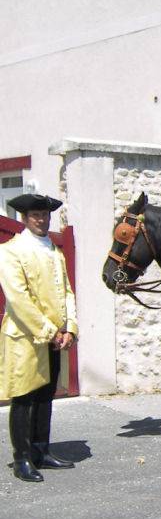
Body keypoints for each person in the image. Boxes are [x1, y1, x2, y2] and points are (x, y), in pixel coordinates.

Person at [0, 194, 78, 482]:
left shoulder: (54, 251)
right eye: (36, 215)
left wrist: (70, 327)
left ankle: (40, 451)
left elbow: (67, 291)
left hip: (55, 336)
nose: (42, 220)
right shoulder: (11, 251)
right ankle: (21, 458)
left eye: (45, 215)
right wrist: (50, 331)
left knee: (46, 395)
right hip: (25, 336)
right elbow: (19, 299)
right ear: (24, 218)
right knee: (24, 397)